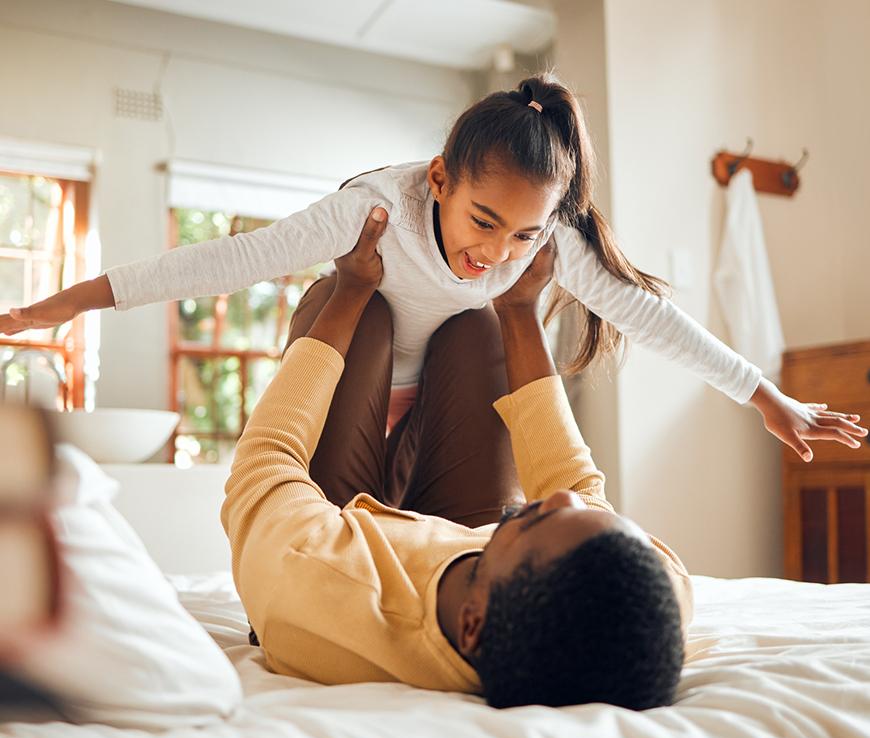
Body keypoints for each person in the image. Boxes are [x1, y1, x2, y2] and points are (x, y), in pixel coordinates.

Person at [1, 73, 864, 457]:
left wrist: (766, 394)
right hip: (348, 380)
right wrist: (71, 305)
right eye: (484, 221)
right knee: (367, 308)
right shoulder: (376, 209)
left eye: (523, 236)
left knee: (486, 329)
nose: (495, 251)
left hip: (429, 414)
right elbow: (227, 261)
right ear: (441, 180)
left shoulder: (545, 243)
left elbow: (650, 316)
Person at [221, 207, 691, 710]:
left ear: (472, 624)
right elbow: (576, 485)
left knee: (360, 312)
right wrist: (520, 311)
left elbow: (266, 461)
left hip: (337, 525)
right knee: (477, 318)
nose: (560, 497)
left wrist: (350, 291)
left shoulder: (316, 575)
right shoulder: (643, 610)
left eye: (537, 520)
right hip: (462, 538)